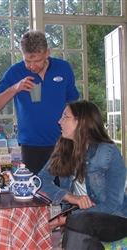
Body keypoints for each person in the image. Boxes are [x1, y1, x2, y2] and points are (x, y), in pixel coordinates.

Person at [0, 30, 79, 175]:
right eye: (28, 61)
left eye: (37, 61)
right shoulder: (15, 72)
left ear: (47, 53)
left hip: (63, 142)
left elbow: (74, 104)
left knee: (63, 192)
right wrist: (15, 88)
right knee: (36, 194)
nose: (32, 66)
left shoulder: (63, 68)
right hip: (31, 146)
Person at [37, 100, 127, 249]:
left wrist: (67, 219)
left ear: (82, 122)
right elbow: (40, 181)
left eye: (65, 117)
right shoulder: (64, 150)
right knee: (87, 242)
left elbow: (113, 205)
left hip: (116, 218)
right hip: (81, 223)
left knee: (79, 223)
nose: (59, 122)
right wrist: (70, 197)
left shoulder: (109, 152)